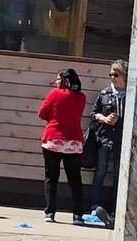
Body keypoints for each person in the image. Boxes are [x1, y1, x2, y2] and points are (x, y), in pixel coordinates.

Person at [38, 68, 86, 225]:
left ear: (65, 80)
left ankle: (50, 212)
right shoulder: (81, 97)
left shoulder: (54, 93)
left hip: (53, 139)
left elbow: (42, 113)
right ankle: (78, 215)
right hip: (73, 142)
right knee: (75, 179)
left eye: (58, 79)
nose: (56, 82)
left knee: (51, 178)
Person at [90, 59, 128, 215]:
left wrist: (122, 119)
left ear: (124, 76)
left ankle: (116, 207)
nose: (113, 77)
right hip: (104, 138)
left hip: (123, 140)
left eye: (116, 74)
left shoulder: (131, 95)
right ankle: (95, 205)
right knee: (101, 172)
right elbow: (93, 114)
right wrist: (104, 119)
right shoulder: (105, 93)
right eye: (111, 74)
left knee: (120, 175)